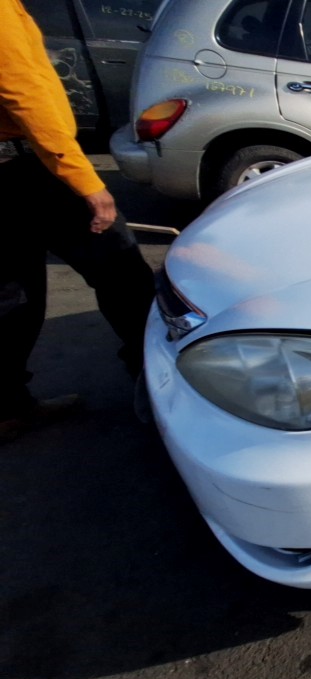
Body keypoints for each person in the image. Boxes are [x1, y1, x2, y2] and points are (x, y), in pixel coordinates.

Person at [0, 0, 156, 441]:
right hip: (31, 170)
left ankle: (8, 407)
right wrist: (85, 181)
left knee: (14, 295)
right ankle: (164, 390)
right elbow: (23, 91)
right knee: (123, 274)